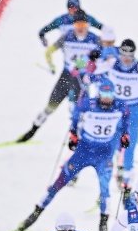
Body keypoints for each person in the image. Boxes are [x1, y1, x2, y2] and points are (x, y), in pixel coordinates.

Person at [17, 79, 130, 231]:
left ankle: (103, 224)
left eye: (109, 94)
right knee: (60, 181)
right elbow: (76, 117)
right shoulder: (88, 104)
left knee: (105, 190)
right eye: (104, 94)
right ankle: (36, 212)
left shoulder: (120, 106)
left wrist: (125, 135)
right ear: (99, 93)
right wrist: (73, 135)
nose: (106, 98)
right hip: (84, 151)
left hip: (104, 155)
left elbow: (126, 121)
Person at [19, 11, 103, 143]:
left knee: (80, 112)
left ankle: (79, 138)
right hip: (66, 76)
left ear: (88, 25)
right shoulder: (67, 36)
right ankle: (33, 130)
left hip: (82, 79)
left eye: (83, 25)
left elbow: (105, 57)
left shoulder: (95, 39)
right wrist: (52, 66)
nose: (80, 28)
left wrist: (94, 65)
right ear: (73, 25)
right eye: (77, 25)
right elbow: (49, 52)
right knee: (51, 105)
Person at [94, 39, 138, 183]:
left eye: (130, 55)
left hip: (132, 109)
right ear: (119, 53)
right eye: (123, 54)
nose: (126, 58)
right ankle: (114, 167)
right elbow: (92, 70)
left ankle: (127, 174)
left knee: (130, 143)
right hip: (115, 108)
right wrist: (92, 59)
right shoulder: (112, 63)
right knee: (112, 139)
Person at [37, 0, 103, 46]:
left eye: (75, 7)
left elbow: (101, 27)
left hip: (85, 48)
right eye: (70, 7)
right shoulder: (61, 20)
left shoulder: (86, 18)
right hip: (69, 49)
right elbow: (45, 29)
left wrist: (104, 39)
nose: (73, 10)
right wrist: (42, 37)